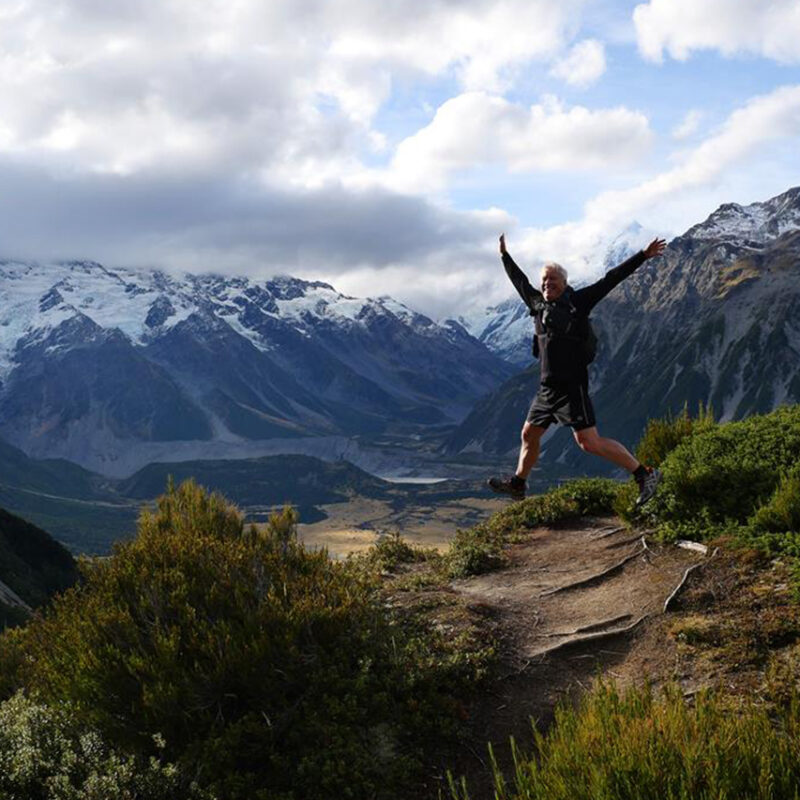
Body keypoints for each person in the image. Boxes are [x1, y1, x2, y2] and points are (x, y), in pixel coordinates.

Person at [487, 233, 667, 505]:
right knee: (528, 434)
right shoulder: (537, 304)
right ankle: (518, 484)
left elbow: (610, 279)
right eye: (544, 280)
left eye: (553, 280)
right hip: (547, 389)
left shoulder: (578, 302)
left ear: (564, 283)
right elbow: (519, 281)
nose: (547, 283)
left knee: (589, 443)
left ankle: (645, 474)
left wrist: (642, 255)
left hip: (572, 388)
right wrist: (504, 256)